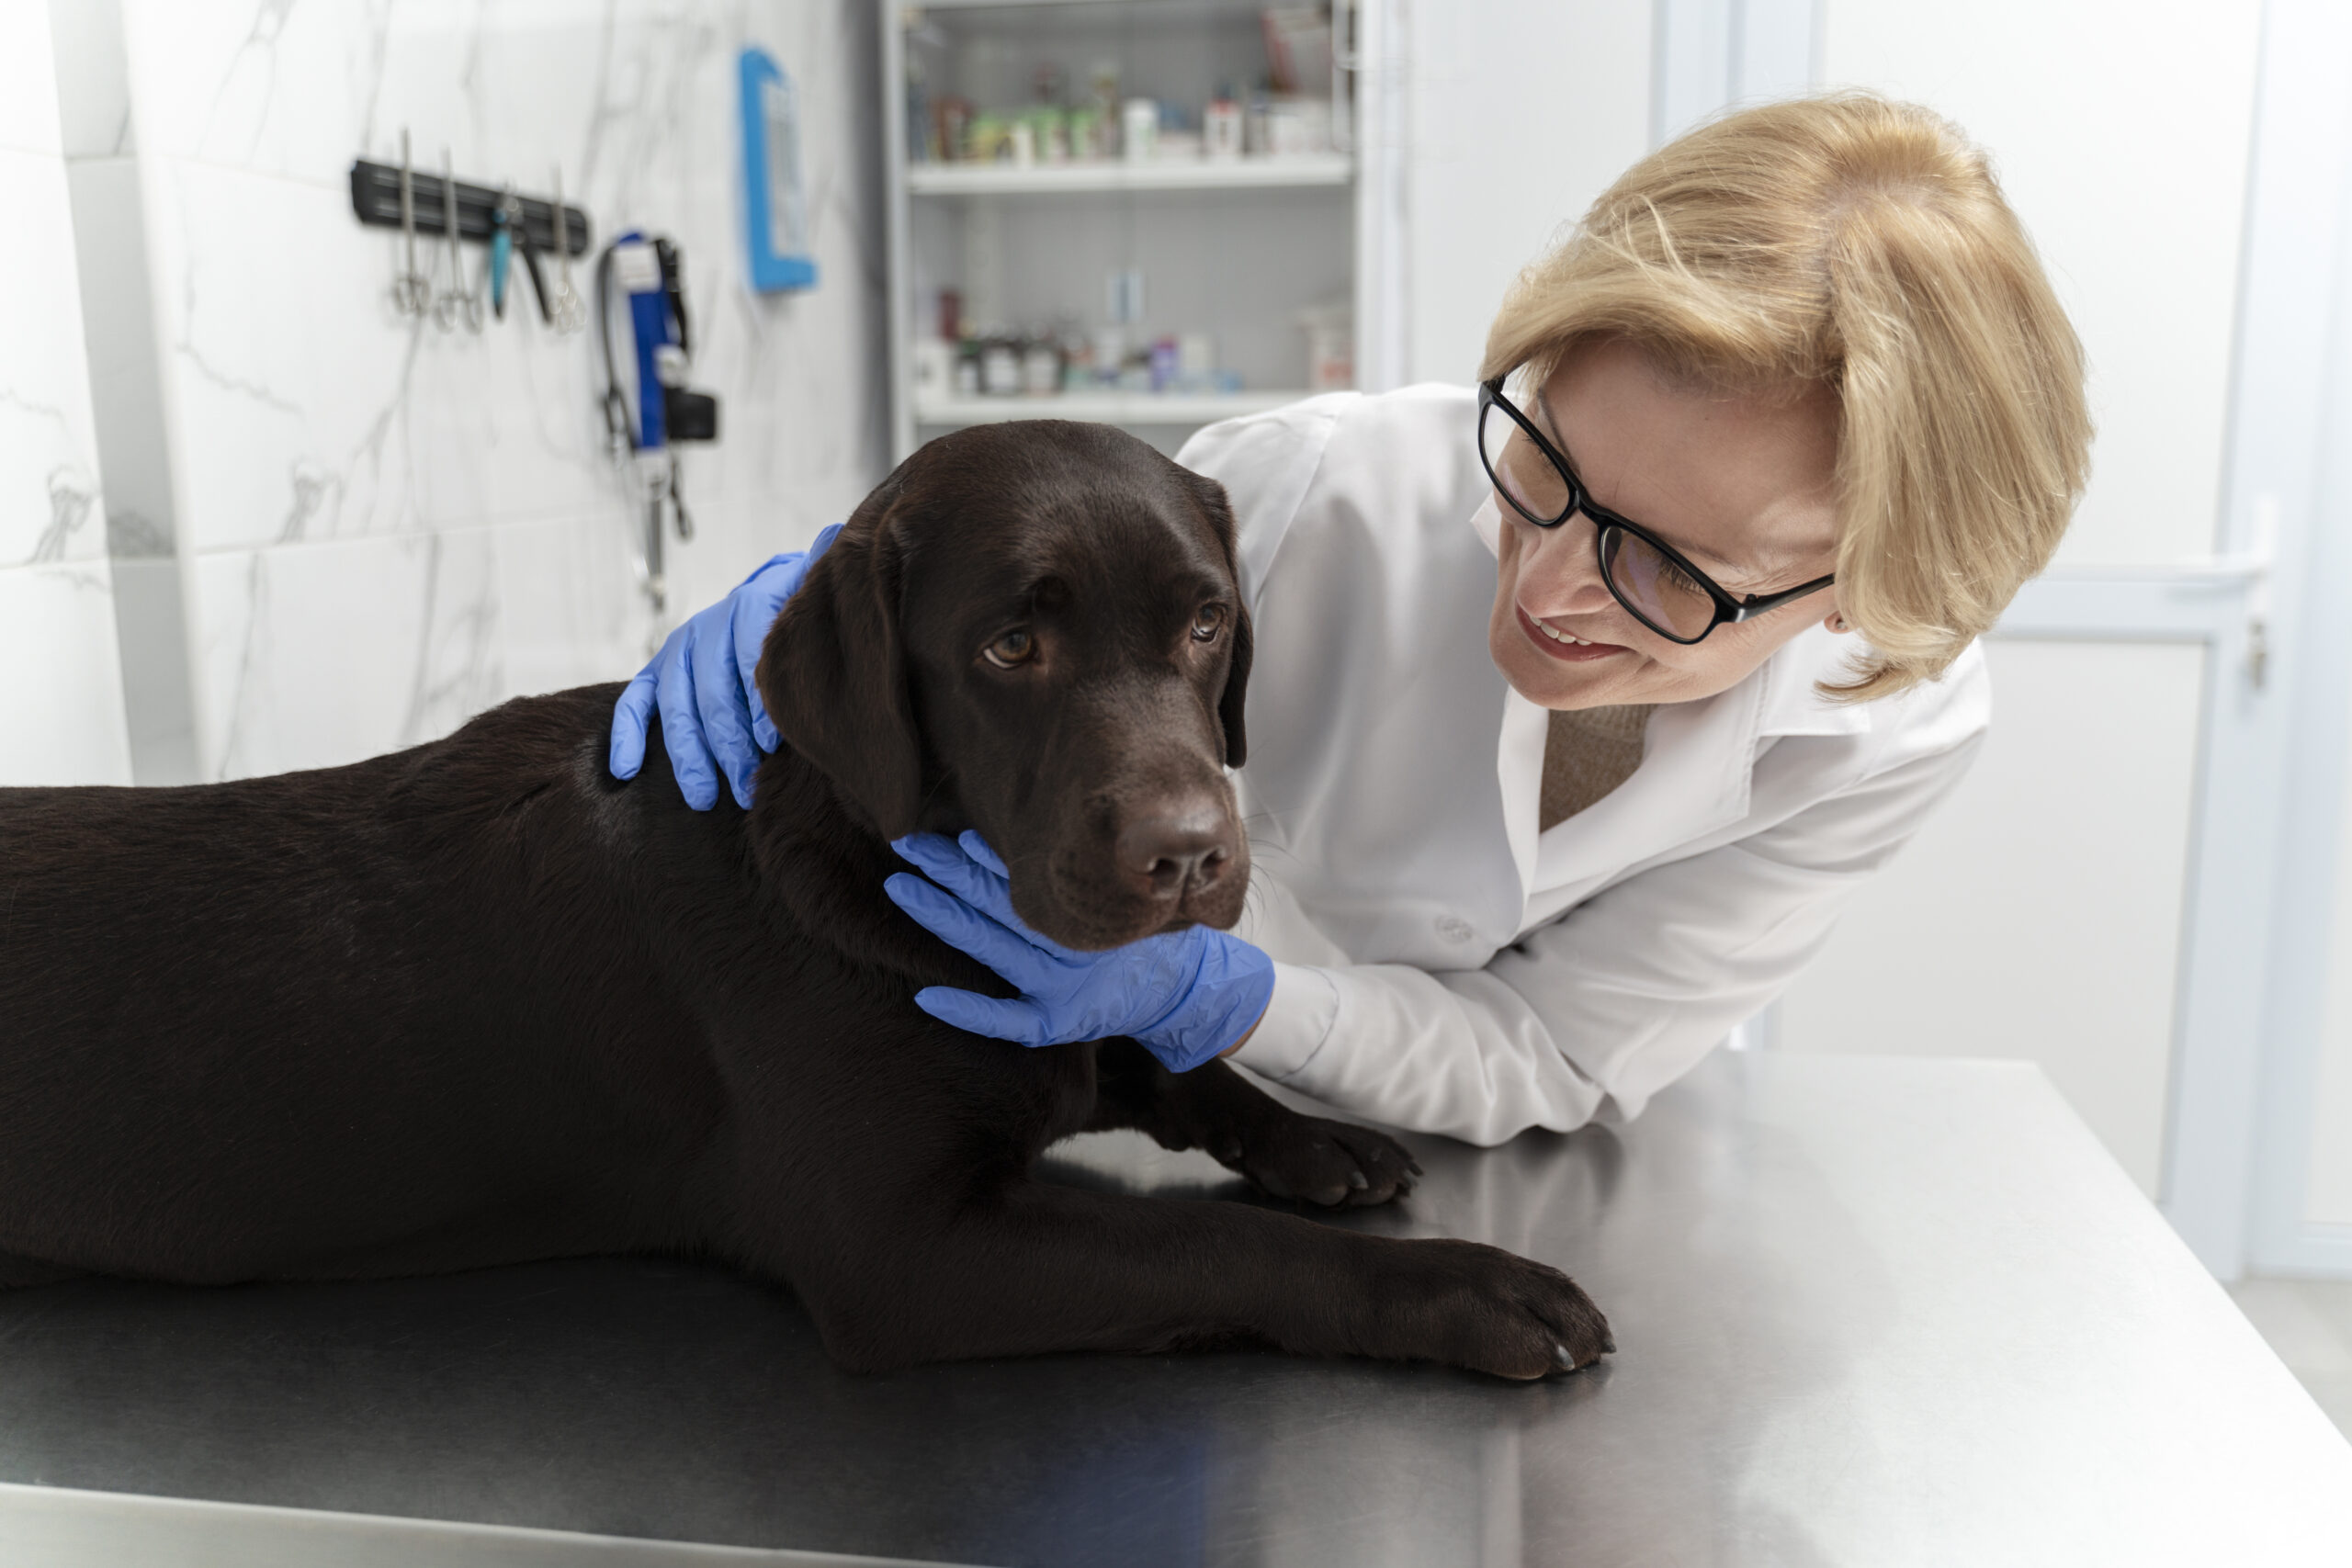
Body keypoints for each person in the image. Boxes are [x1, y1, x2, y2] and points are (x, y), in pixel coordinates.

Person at [607, 94, 2091, 1145]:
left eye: (1677, 569)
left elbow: (1559, 1051)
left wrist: (1220, 993)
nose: (1554, 583)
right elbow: (1020, 590)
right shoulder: (1314, 491)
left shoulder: (1888, 721)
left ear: (1857, 596)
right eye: (1547, 460)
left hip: (1517, 1180)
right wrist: (831, 614)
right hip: (1148, 1135)